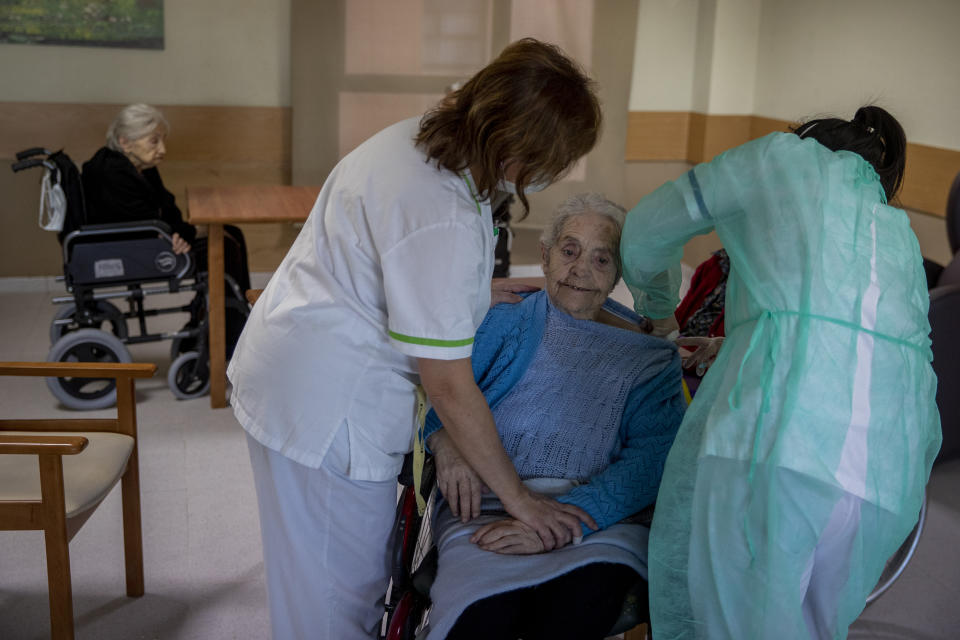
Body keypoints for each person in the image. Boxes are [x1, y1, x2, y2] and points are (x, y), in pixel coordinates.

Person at [226, 39, 603, 639]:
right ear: (523, 146)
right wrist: (520, 499)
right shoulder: (440, 210)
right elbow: (450, 388)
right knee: (333, 603)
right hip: (327, 403)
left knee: (320, 580)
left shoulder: (416, 140)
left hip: (296, 353)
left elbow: (403, 266)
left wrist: (477, 293)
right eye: (551, 161)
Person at [620, 105, 942, 639]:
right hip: (886, 478)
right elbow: (844, 343)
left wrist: (659, 315)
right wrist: (746, 343)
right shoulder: (894, 229)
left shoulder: (779, 158)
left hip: (776, 455)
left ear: (807, 141)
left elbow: (644, 232)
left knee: (729, 625)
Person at [419, 194, 686, 640]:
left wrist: (565, 523)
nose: (580, 269)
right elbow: (443, 394)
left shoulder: (649, 359)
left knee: (571, 615)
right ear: (544, 256)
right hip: (485, 512)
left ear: (619, 273)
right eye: (569, 250)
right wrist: (443, 439)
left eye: (602, 259)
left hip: (595, 522)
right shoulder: (505, 322)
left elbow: (650, 462)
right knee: (481, 622)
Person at [82, 103, 251, 356]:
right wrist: (180, 234)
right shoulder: (111, 173)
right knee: (224, 245)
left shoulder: (140, 169)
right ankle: (228, 334)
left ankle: (235, 322)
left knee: (231, 232)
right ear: (125, 142)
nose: (163, 150)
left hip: (151, 239)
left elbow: (168, 210)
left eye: (162, 140)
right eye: (154, 141)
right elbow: (146, 222)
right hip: (137, 249)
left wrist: (181, 232)